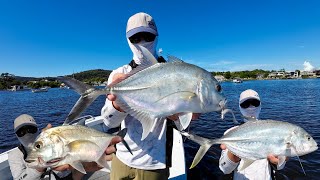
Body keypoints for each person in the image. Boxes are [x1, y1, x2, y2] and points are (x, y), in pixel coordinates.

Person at [101, 12, 199, 180]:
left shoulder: (174, 73)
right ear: (128, 40)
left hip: (154, 164)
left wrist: (185, 115)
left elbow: (184, 127)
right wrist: (117, 103)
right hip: (122, 159)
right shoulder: (119, 74)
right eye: (136, 38)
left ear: (156, 37)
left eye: (147, 36)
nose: (142, 43)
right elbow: (108, 122)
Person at [219, 89, 287, 180]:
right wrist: (234, 152)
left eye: (255, 103)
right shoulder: (230, 133)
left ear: (260, 106)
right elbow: (225, 169)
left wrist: (280, 160)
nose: (250, 107)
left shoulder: (272, 130)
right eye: (245, 104)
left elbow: (280, 166)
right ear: (240, 107)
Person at [8, 114, 72, 180]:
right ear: (17, 136)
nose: (27, 134)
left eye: (31, 129)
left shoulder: (50, 141)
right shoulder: (14, 155)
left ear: (37, 130)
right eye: (21, 132)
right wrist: (38, 169)